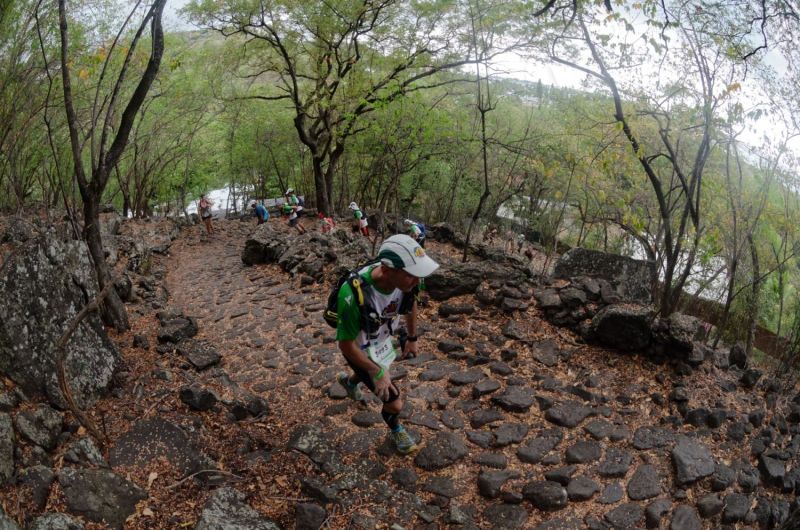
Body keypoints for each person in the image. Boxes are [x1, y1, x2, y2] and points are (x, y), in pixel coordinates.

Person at [335, 234, 439, 455]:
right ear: (388, 269)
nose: (417, 280)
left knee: (376, 376)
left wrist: (412, 338)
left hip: (381, 341)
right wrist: (376, 370)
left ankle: (350, 383)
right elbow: (345, 345)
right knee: (393, 402)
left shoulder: (408, 282)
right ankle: (397, 430)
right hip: (359, 350)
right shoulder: (353, 294)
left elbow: (410, 305)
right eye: (411, 275)